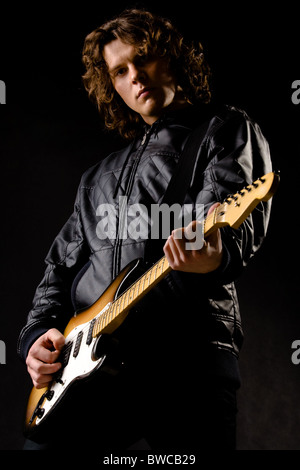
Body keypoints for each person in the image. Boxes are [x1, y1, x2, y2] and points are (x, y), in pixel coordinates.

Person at [18, 8, 272, 451]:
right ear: (112, 85)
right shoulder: (96, 178)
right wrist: (36, 336)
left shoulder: (224, 129)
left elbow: (232, 232)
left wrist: (213, 253)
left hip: (187, 365)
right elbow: (57, 272)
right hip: (87, 374)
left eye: (145, 58)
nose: (135, 76)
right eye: (120, 70)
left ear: (171, 57)